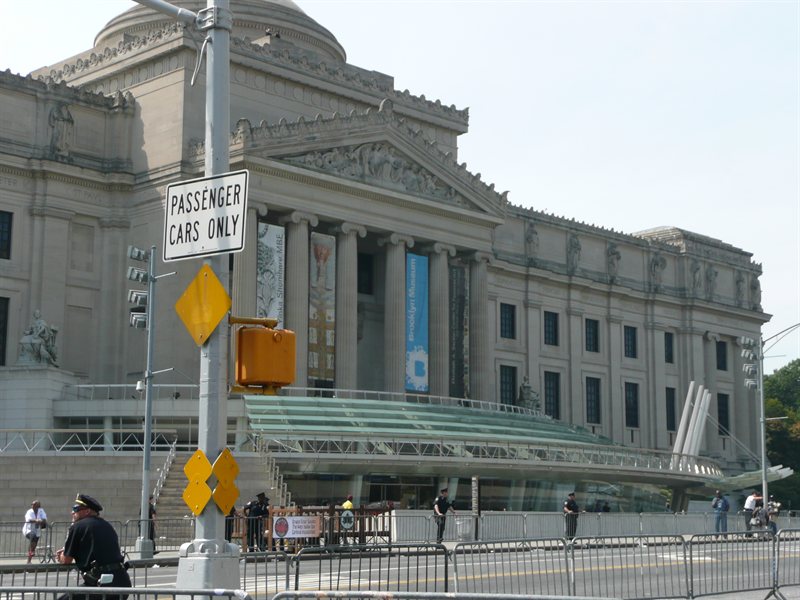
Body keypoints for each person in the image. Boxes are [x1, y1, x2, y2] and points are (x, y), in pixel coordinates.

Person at [56, 494, 130, 600]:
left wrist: (61, 555)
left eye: (76, 509)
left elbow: (66, 560)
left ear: (87, 511)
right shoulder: (107, 525)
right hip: (122, 583)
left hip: (101, 585)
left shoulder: (77, 526)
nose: (72, 512)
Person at [22, 499, 47, 564]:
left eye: (34, 505)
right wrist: (37, 520)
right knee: (33, 537)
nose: (32, 506)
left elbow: (44, 518)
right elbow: (29, 520)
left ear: (38, 506)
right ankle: (31, 553)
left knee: (34, 543)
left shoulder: (41, 511)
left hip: (37, 530)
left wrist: (42, 520)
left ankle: (29, 560)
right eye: (32, 504)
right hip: (28, 530)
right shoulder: (29, 512)